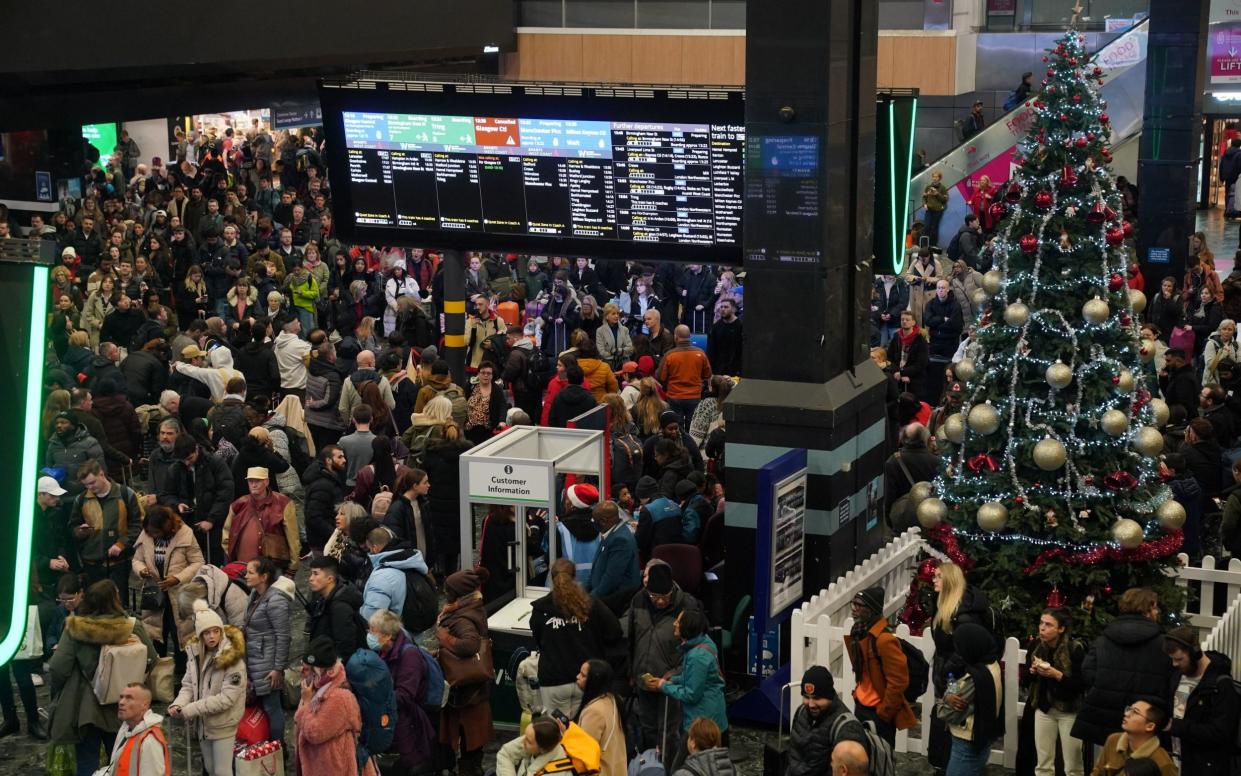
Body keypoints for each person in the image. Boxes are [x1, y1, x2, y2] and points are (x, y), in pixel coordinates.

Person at [49, 580, 157, 776]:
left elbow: (58, 668)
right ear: (115, 599)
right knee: (123, 761)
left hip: (85, 708)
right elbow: (152, 659)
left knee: (86, 762)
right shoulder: (132, 626)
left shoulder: (75, 628)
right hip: (125, 705)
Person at [1072, 588, 1171, 748]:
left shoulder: (1104, 639)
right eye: (1154, 607)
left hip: (1103, 716)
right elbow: (1171, 679)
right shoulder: (1163, 644)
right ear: (1146, 610)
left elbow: (1088, 671)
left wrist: (1104, 688)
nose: (1157, 612)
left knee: (1107, 765)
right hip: (1143, 722)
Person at [530, 559, 623, 717]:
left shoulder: (540, 609)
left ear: (552, 579)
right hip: (587, 679)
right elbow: (614, 631)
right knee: (584, 733)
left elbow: (538, 639)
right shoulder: (590, 604)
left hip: (555, 680)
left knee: (557, 734)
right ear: (575, 577)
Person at [628, 560, 704, 754]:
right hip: (643, 680)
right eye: (654, 596)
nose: (660, 601)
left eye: (665, 596)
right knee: (647, 728)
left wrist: (673, 675)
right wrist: (632, 672)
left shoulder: (687, 605)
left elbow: (698, 646)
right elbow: (631, 638)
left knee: (669, 733)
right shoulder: (638, 600)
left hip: (671, 682)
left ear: (672, 588)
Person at [167, 599, 247, 776]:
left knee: (222, 771)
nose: (212, 636)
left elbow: (227, 699)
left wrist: (191, 709)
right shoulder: (195, 655)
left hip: (223, 723)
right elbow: (188, 684)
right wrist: (178, 704)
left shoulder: (233, 660)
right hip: (203, 723)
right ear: (200, 635)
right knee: (211, 770)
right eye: (206, 633)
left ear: (221, 631)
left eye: (216, 631)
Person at [644, 608, 728, 773]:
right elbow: (696, 678)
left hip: (701, 722)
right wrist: (671, 680)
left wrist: (664, 686)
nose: (675, 623)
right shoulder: (704, 643)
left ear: (687, 629)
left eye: (679, 621)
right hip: (714, 715)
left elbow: (691, 694)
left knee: (680, 768)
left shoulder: (697, 656)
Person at [132, 505, 203, 670]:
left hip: (180, 594)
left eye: (156, 532)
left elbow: (198, 562)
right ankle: (158, 676)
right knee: (155, 635)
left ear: (166, 527)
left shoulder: (185, 534)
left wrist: (177, 578)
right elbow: (136, 559)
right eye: (150, 532)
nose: (153, 535)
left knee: (182, 636)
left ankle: (183, 674)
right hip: (154, 594)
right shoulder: (146, 534)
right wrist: (141, 570)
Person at [438, 568, 495, 776]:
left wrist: (445, 638)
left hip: (465, 690)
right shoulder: (471, 608)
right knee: (473, 744)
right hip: (473, 690)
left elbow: (469, 645)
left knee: (467, 740)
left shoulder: (462, 618)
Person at [843, 585, 915, 749]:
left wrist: (885, 713)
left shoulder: (884, 640)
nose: (854, 609)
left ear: (871, 609)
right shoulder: (860, 633)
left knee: (880, 761)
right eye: (853, 604)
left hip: (878, 712)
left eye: (859, 605)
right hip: (862, 705)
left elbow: (899, 681)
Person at [368, 608, 437, 772]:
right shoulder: (384, 652)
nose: (369, 634)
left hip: (408, 727)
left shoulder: (409, 656)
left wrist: (373, 697)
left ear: (387, 636)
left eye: (372, 631)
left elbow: (404, 696)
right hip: (393, 724)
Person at [295, 636, 376, 776]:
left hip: (334, 766)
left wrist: (306, 703)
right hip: (321, 765)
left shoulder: (340, 698)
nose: (303, 673)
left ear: (320, 670)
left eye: (308, 670)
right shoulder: (317, 687)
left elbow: (314, 733)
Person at [1162, 625, 1238, 775]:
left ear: (1195, 653)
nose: (1174, 664)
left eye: (1179, 659)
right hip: (1176, 762)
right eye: (1172, 659)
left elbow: (1220, 733)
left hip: (1203, 767)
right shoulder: (1177, 675)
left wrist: (1177, 727)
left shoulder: (1221, 685)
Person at [1024, 607, 1086, 776]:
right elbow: (1025, 681)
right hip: (1043, 708)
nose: (1042, 628)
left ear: (1061, 628)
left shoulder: (1074, 649)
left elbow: (1081, 684)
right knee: (1043, 764)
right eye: (1041, 623)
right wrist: (1031, 672)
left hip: (1069, 710)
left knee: (1073, 765)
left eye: (1049, 625)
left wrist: (1057, 675)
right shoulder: (1036, 646)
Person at [242, 556, 294, 746]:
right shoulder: (255, 595)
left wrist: (278, 668)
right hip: (257, 659)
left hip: (267, 663)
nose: (245, 575)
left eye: (250, 572)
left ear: (264, 576)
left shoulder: (275, 601)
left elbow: (283, 636)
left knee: (272, 707)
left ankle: (278, 748)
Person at [70, 460, 143, 593]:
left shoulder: (126, 494)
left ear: (102, 474)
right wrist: (80, 531)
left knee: (118, 604)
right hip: (91, 562)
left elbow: (137, 525)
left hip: (120, 562)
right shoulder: (81, 499)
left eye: (92, 483)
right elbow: (73, 527)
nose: (90, 488)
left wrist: (122, 544)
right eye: (86, 485)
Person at [161, 434, 233, 566]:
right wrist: (177, 505)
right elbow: (167, 494)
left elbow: (225, 494)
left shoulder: (215, 463)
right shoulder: (175, 468)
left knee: (214, 565)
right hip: (187, 525)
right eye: (183, 460)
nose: (187, 463)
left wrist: (211, 520)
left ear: (196, 449)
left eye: (189, 458)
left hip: (213, 527)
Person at [786, 665, 870, 776]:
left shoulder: (847, 727)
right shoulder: (801, 712)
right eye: (806, 697)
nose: (811, 704)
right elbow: (793, 756)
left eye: (817, 698)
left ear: (829, 696)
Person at [222, 466, 301, 571]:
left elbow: (293, 539)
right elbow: (226, 534)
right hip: (243, 567)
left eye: (257, 481)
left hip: (273, 567)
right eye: (250, 481)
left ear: (266, 482)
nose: (253, 485)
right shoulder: (238, 504)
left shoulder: (283, 503)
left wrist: (292, 568)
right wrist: (232, 557)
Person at [95, 684, 170, 776]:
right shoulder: (125, 728)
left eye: (129, 698)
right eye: (121, 697)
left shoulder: (149, 740)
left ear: (145, 705)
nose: (121, 702)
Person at [1090, 698, 1176, 776]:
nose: (1126, 714)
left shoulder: (1163, 763)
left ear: (1150, 726)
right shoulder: (1114, 739)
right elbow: (1098, 772)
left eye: (1135, 712)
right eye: (1129, 709)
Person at [360, 527, 430, 620]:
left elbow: (372, 618)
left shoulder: (382, 577)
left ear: (375, 548)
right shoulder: (413, 561)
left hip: (394, 631)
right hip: (416, 627)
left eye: (369, 549)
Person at [587, 500, 642, 616]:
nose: (592, 522)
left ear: (603, 521)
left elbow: (612, 578)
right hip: (602, 597)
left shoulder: (620, 540)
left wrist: (589, 600)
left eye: (594, 520)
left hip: (613, 602)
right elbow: (597, 566)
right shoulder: (611, 532)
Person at [575, 659, 627, 776]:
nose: (577, 677)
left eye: (583, 675)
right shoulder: (613, 699)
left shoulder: (594, 711)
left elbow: (585, 753)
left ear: (594, 681)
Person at [658, 325, 713, 427]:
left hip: (674, 396)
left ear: (676, 337)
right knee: (692, 426)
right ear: (690, 336)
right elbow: (708, 374)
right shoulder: (700, 353)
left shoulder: (670, 355)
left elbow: (661, 377)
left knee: (676, 427)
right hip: (694, 396)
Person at [302, 445, 348, 553]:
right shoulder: (323, 485)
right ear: (328, 460)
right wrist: (334, 533)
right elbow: (313, 517)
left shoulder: (332, 479)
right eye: (340, 457)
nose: (344, 460)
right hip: (324, 541)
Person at [495, 717, 568, 776]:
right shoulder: (541, 740)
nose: (522, 741)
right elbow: (506, 753)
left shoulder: (557, 773)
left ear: (542, 749)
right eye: (525, 735)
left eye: (528, 741)